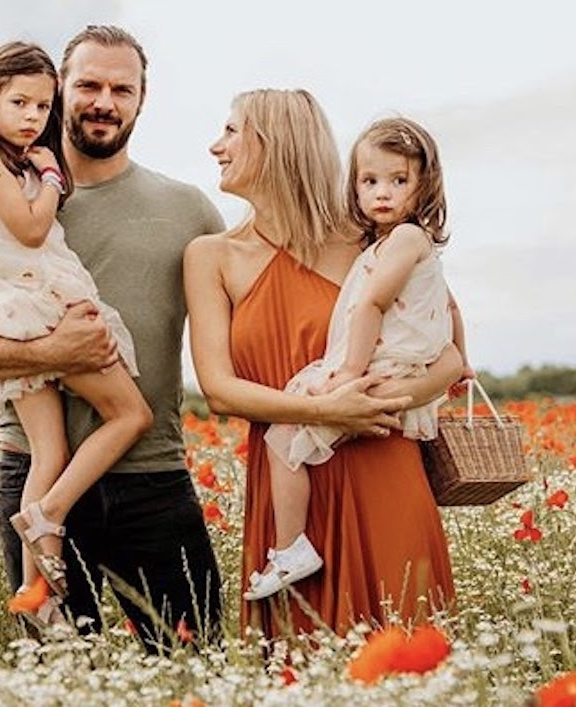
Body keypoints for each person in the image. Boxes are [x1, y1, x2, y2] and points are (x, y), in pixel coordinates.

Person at [0, 26, 225, 651]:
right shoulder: (7, 197)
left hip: (151, 474)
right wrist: (54, 352)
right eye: (89, 85)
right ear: (61, 90)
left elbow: (244, 323)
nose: (104, 102)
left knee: (196, 660)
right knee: (59, 675)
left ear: (142, 98)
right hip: (33, 466)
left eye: (123, 89)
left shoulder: (189, 210)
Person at [184, 89, 461, 637]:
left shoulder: (372, 240)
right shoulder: (211, 256)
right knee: (301, 663)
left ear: (276, 143)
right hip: (290, 486)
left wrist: (370, 405)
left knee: (402, 652)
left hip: (382, 465)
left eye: (232, 131)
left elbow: (447, 353)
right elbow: (217, 389)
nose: (216, 146)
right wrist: (326, 411)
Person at [0, 40, 154, 625]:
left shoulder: (7, 163)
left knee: (51, 450)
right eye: (20, 103)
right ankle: (49, 513)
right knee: (131, 415)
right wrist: (54, 176)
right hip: (39, 306)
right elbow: (33, 230)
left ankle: (39, 597)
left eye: (43, 106)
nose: (34, 117)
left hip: (16, 308)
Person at [243, 117, 471, 601]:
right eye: (369, 181)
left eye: (399, 180)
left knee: (282, 439)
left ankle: (291, 547)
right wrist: (463, 360)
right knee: (294, 435)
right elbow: (451, 307)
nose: (382, 192)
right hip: (393, 368)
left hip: (378, 369)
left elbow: (372, 303)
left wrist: (347, 372)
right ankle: (293, 547)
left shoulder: (405, 239)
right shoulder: (393, 245)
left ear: (425, 186)